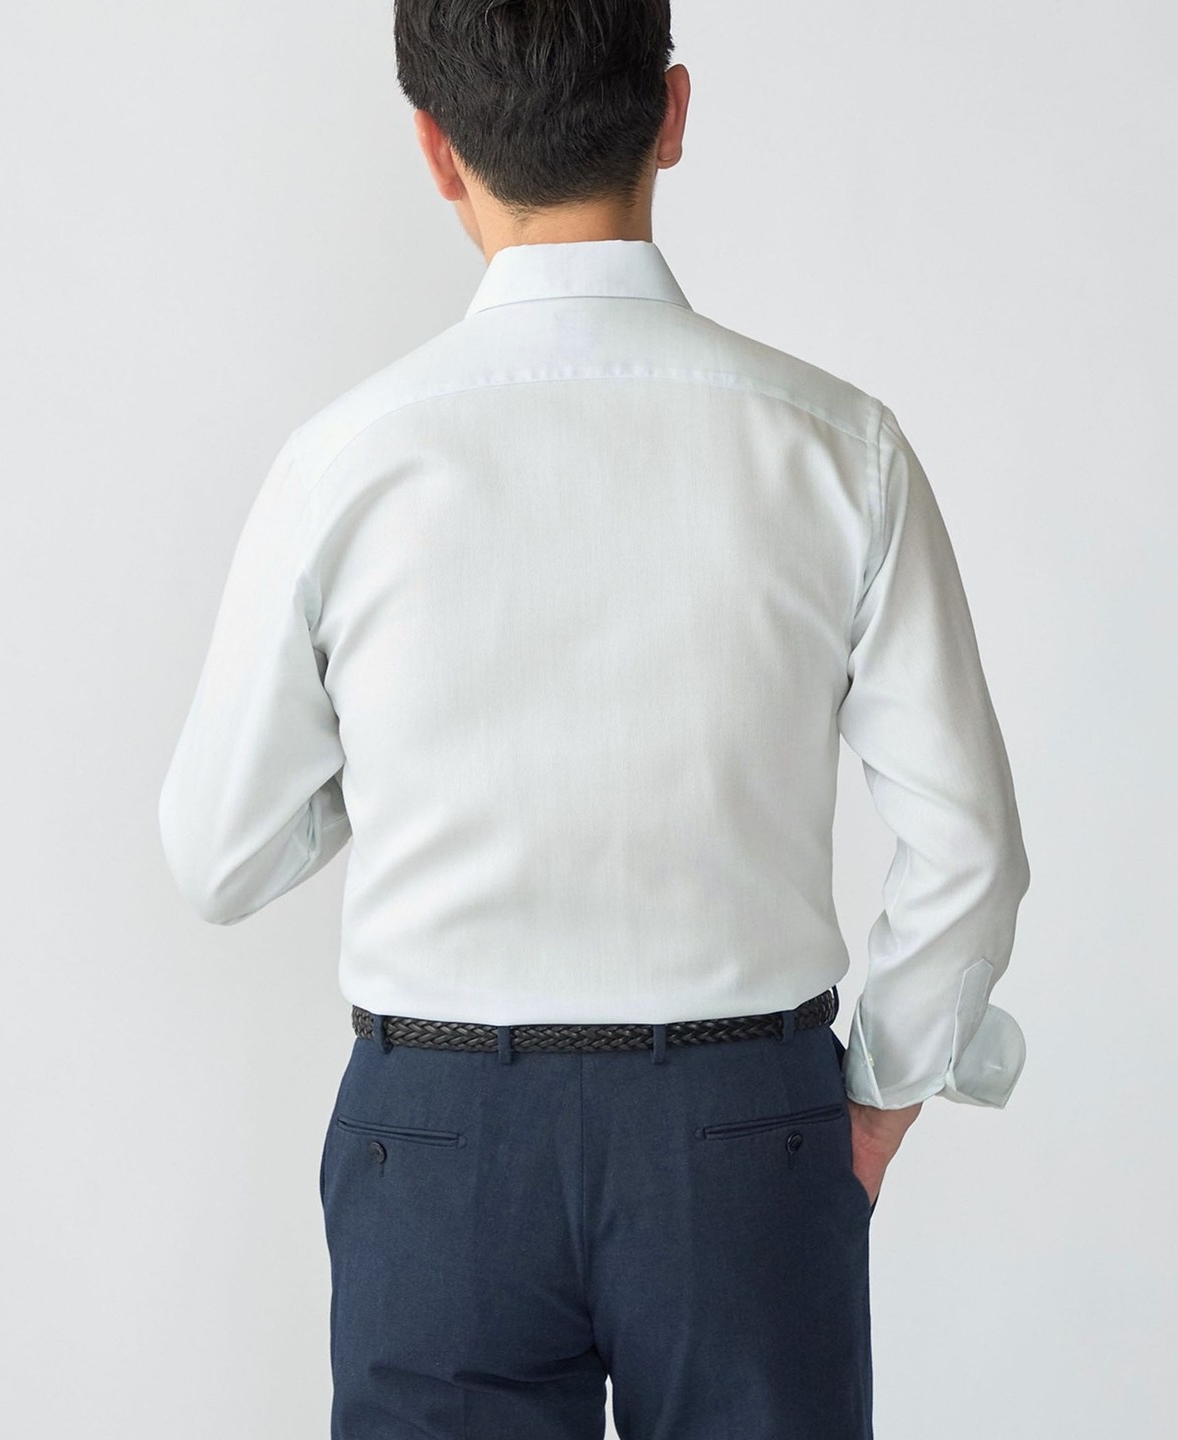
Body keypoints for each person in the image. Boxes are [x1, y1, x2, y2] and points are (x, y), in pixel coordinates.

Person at [157, 3, 1030, 1435]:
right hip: (743, 1129)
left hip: (441, 1140)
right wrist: (881, 1096)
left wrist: (392, 763)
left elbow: (217, 854)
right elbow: (971, 848)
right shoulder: (839, 446)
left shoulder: (345, 464)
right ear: (671, 113)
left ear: (437, 151)